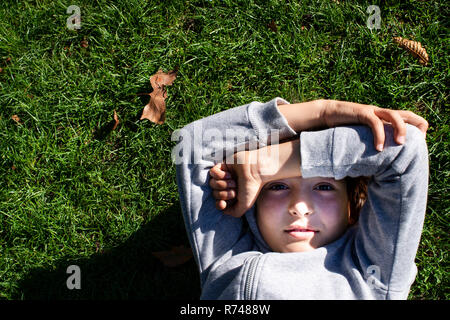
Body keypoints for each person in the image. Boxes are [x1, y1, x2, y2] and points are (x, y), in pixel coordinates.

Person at [173, 97, 429, 299]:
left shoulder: (373, 275)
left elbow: (404, 148)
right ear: (254, 203)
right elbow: (193, 143)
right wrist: (323, 111)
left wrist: (264, 165)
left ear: (352, 208)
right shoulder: (227, 255)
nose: (299, 207)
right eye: (277, 187)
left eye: (325, 187)